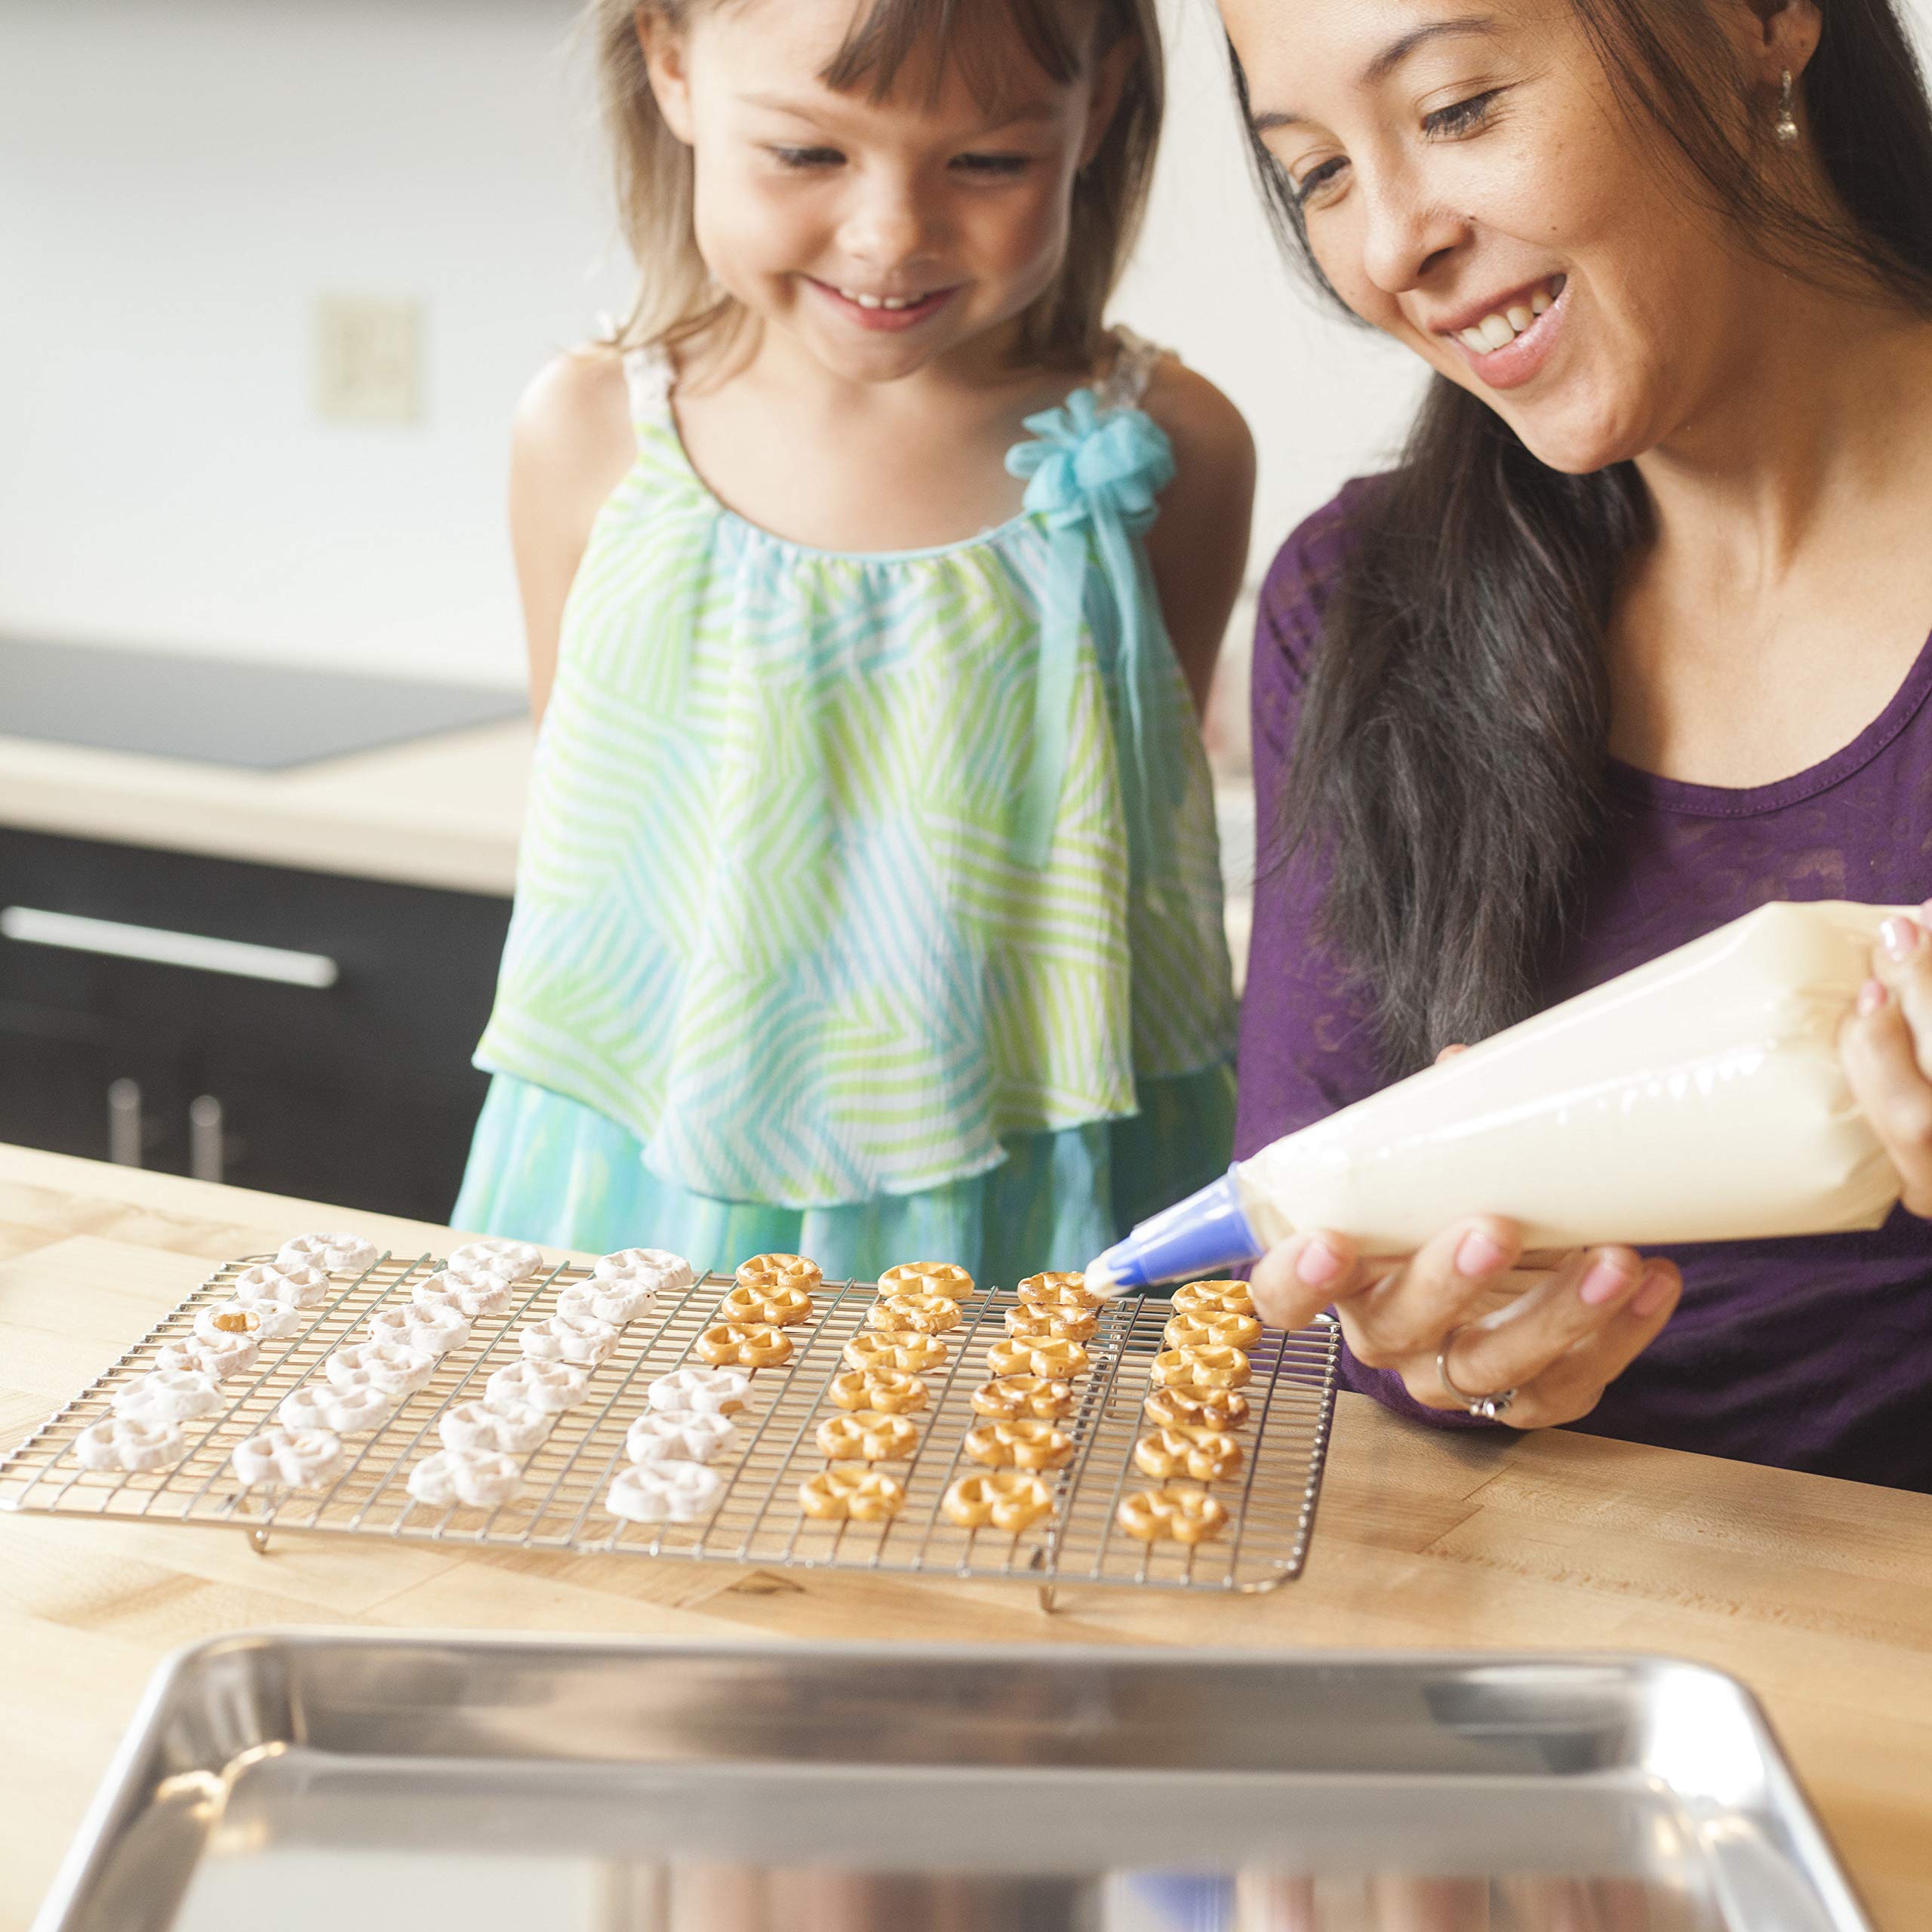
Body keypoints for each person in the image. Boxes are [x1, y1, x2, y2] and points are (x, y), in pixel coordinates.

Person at [1221, 0, 1932, 1489]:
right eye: (1316, 174)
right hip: (1538, 1666)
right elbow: (1307, 1306)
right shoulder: (1357, 614)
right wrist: (1442, 1350)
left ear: (1760, 20)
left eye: (1456, 107)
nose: (1386, 246)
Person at [454, 0, 1252, 1284]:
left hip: (1039, 1174)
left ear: (1096, 109)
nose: (891, 236)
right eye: (809, 154)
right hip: (653, 1176)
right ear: (671, 67)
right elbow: (584, 834)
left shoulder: (1177, 447)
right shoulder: (590, 430)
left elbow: (1128, 854)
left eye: (988, 162)